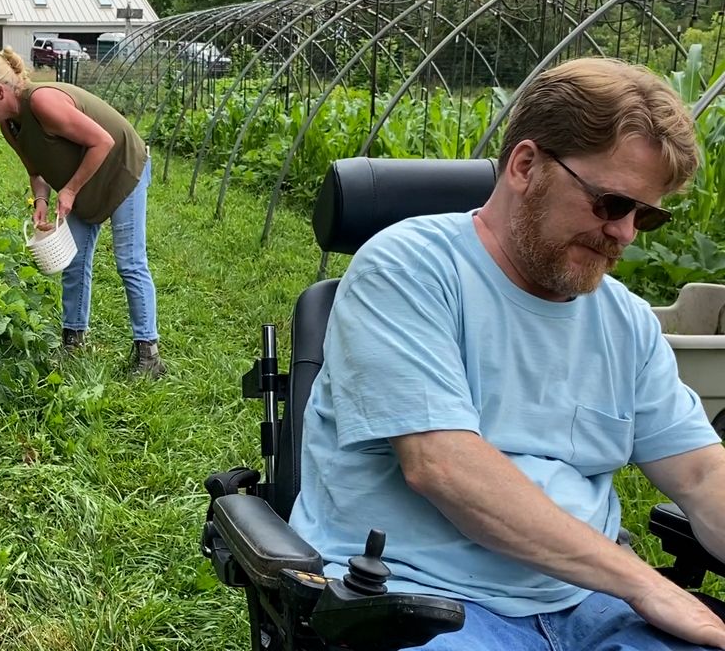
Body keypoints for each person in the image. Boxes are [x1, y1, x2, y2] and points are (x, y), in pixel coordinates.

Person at [289, 56, 725, 650]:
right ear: (525, 166)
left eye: (645, 215)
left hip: (587, 601)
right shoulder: (410, 269)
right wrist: (643, 584)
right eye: (612, 204)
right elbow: (444, 466)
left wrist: (628, 588)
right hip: (421, 600)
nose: (624, 234)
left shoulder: (623, 319)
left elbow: (701, 474)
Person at [0, 46, 165, 378]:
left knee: (129, 261)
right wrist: (41, 201)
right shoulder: (10, 127)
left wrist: (68, 190)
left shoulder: (42, 102)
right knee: (74, 261)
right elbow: (35, 171)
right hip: (85, 180)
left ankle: (149, 354)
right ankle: (73, 342)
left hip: (122, 169)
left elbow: (103, 141)